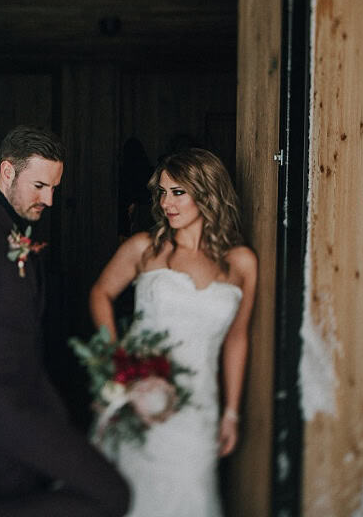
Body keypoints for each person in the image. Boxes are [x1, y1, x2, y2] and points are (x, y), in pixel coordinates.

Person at [0, 125, 130, 517]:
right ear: (8, 172)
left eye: (53, 188)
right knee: (111, 494)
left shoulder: (10, 228)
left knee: (18, 499)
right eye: (40, 186)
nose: (49, 200)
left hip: (30, 401)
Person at [88, 147, 257, 516]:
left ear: (208, 193)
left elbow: (237, 338)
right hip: (141, 395)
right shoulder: (145, 249)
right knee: (129, 493)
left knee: (191, 496)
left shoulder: (241, 263)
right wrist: (118, 362)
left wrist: (231, 412)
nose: (167, 203)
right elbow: (101, 293)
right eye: (162, 192)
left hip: (198, 407)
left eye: (178, 192)